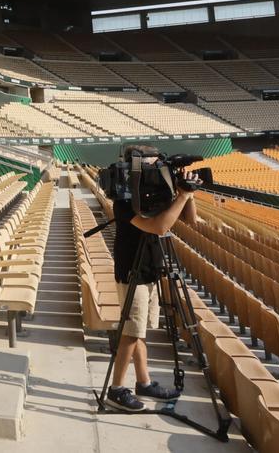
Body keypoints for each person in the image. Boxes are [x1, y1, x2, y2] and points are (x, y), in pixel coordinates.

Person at [104, 150, 204, 413]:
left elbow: (190, 219)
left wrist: (187, 192)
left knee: (141, 331)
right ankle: (116, 390)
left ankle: (143, 382)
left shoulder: (156, 196)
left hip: (149, 268)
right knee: (131, 332)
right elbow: (160, 227)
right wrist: (180, 195)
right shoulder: (125, 200)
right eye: (152, 166)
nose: (157, 170)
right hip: (131, 272)